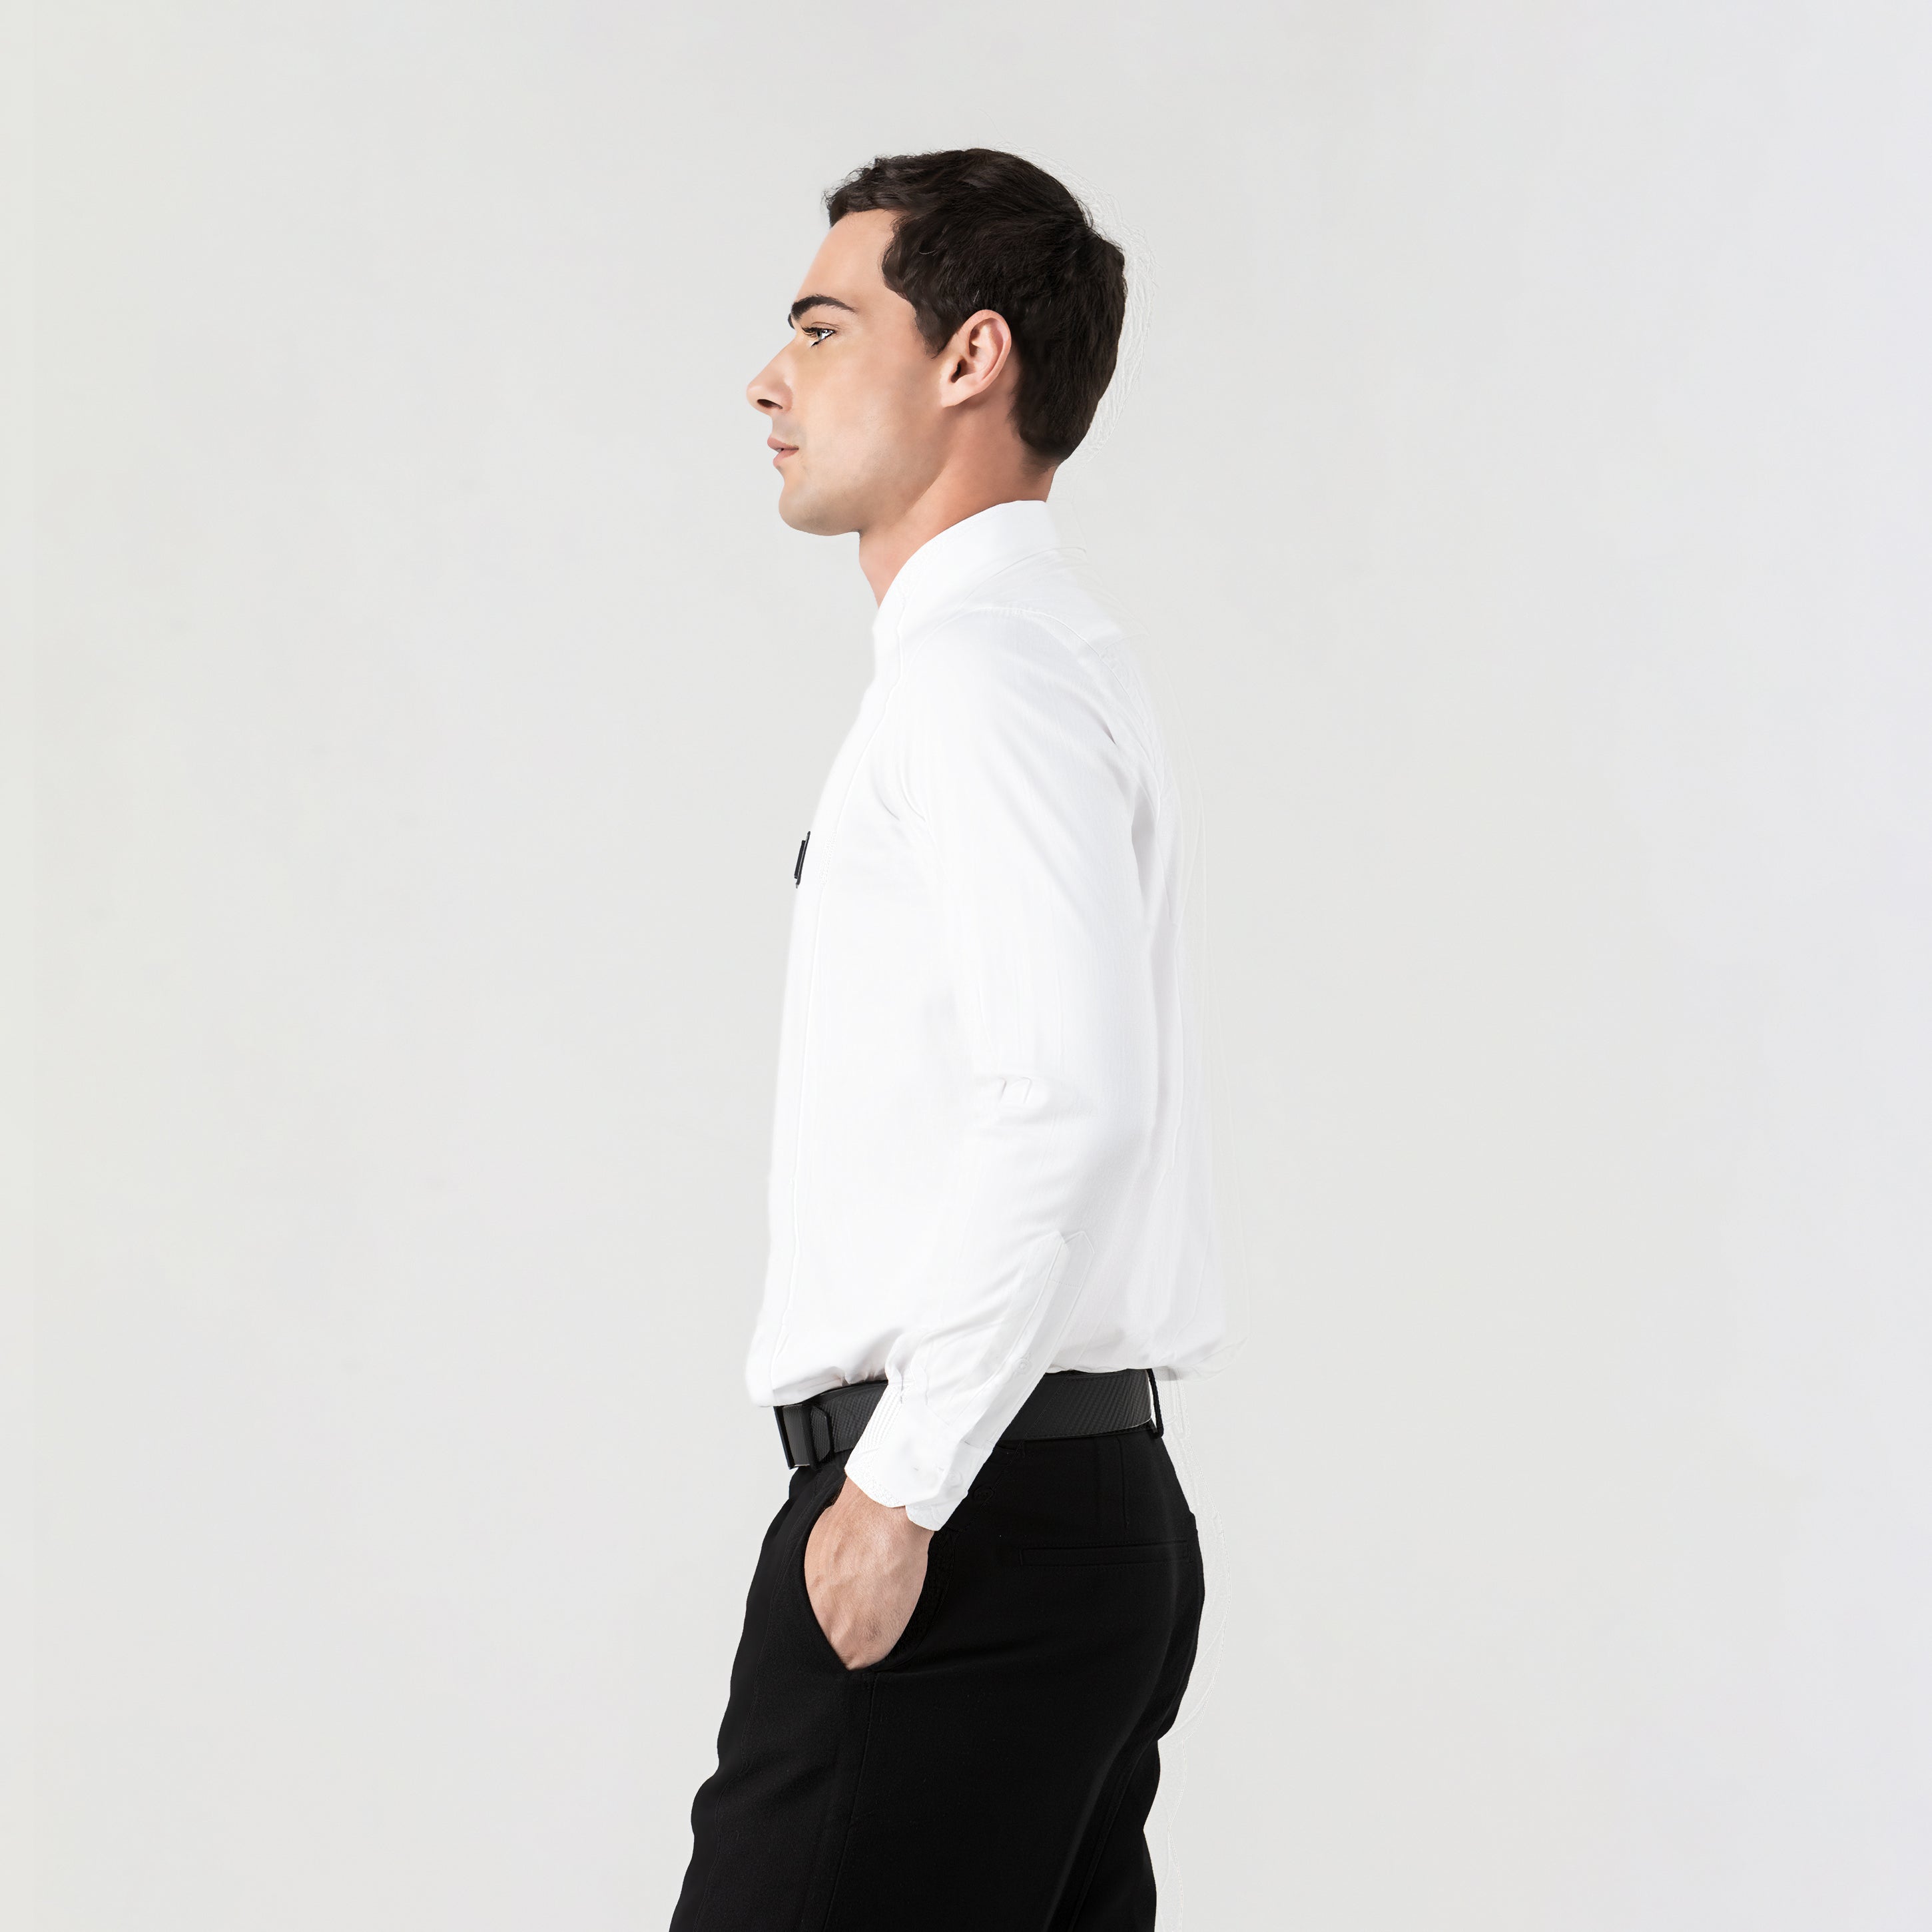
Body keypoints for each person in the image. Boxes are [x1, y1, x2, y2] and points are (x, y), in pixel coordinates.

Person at [669, 148, 1225, 1931]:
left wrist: (898, 1492)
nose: (771, 379)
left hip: (967, 1514)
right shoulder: (1023, 660)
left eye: (824, 328)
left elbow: (1073, 1094)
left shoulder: (983, 673)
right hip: (1046, 1501)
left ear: (972, 356)